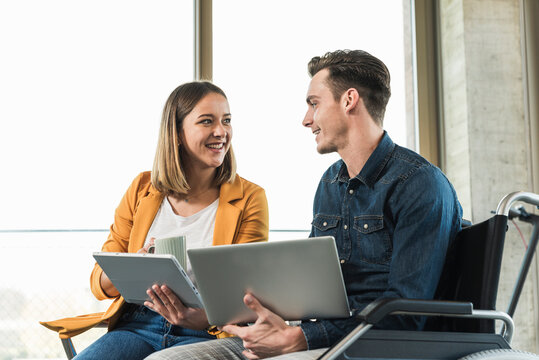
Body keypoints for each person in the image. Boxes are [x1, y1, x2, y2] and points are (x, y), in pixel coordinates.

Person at [145, 49, 462, 360]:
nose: (306, 119)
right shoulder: (330, 182)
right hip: (316, 335)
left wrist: (300, 338)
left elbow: (406, 312)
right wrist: (271, 323)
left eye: (314, 104)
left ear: (349, 100)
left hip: (369, 345)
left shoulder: (419, 184)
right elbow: (308, 283)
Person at [40, 81, 269, 359]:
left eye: (227, 121)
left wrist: (202, 318)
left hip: (204, 330)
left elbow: (246, 293)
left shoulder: (249, 197)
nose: (221, 131)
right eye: (207, 121)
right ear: (177, 134)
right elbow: (98, 281)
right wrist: (132, 267)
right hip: (138, 323)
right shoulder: (142, 188)